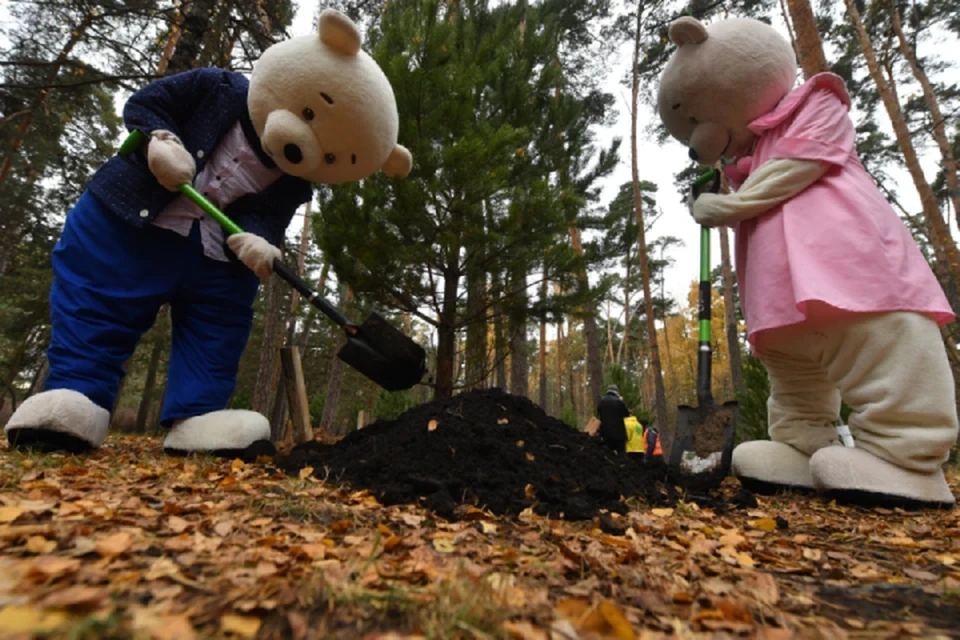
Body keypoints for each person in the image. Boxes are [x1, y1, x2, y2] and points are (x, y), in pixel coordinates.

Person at [596, 385, 630, 453]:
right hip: (619, 433)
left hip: (606, 433)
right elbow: (626, 414)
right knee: (621, 453)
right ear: (616, 392)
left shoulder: (602, 401)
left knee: (609, 453)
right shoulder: (619, 401)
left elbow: (598, 411)